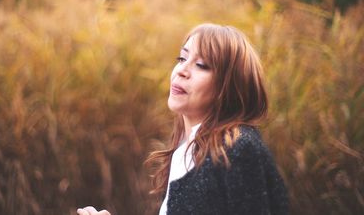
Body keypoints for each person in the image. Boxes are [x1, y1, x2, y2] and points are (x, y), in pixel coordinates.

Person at [77, 23, 288, 215]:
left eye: (202, 65)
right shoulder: (184, 154)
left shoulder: (238, 148)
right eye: (182, 58)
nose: (182, 71)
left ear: (230, 86)